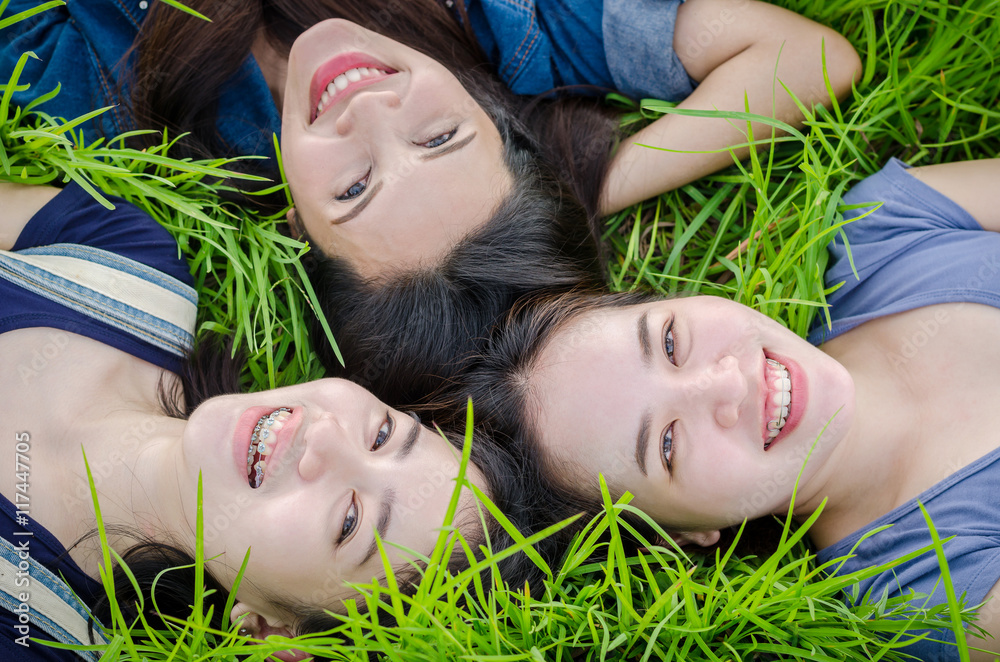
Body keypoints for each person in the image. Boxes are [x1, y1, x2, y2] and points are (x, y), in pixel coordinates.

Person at [0, 0, 861, 405]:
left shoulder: (145, 108)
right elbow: (807, 59)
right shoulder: (515, 24)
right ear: (496, 119)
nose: (367, 112)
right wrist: (590, 184)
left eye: (353, 188)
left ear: (297, 222)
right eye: (442, 139)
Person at [440, 158, 1000, 661]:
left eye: (668, 344)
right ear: (686, 534)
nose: (726, 385)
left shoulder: (886, 224)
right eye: (666, 446)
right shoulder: (934, 590)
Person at [0, 180, 541, 661]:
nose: (326, 436)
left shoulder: (27, 634)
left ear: (268, 631)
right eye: (381, 434)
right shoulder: (125, 266)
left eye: (349, 522)